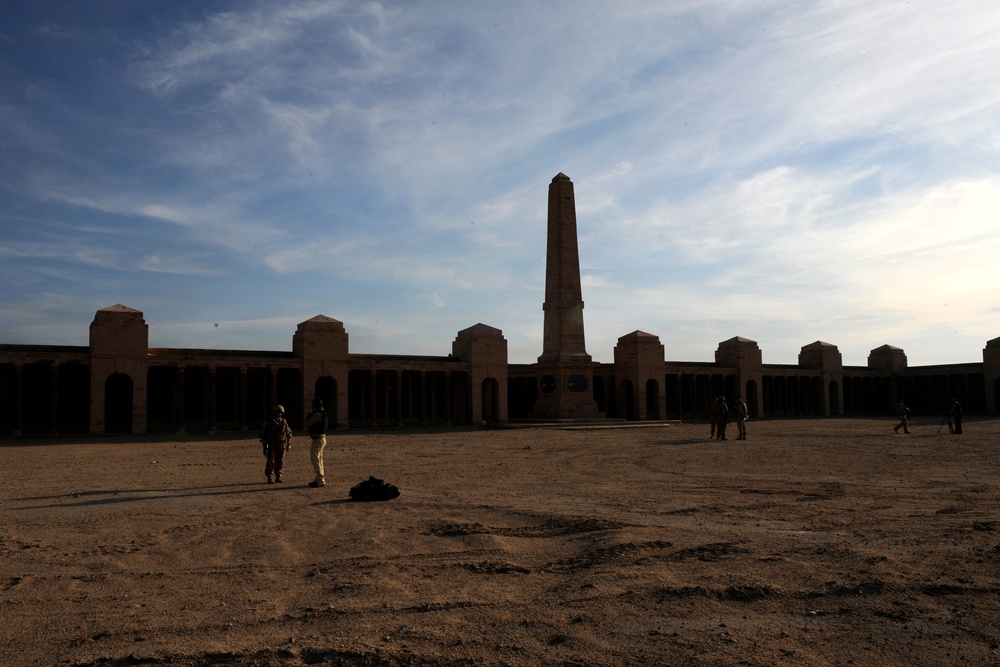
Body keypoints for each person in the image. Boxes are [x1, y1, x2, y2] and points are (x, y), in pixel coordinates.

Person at [259, 404, 292, 483]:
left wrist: (289, 443)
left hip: (281, 444)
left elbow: (288, 433)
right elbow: (263, 433)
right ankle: (269, 476)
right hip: (271, 444)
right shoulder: (269, 422)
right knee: (270, 461)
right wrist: (264, 443)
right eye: (277, 412)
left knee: (279, 461)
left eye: (280, 412)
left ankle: (278, 476)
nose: (278, 414)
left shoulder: (284, 422)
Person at [304, 398, 329, 487]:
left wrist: (309, 414)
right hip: (321, 439)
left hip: (318, 439)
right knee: (319, 459)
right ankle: (319, 478)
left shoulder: (317, 414)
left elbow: (306, 423)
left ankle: (320, 479)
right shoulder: (323, 413)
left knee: (315, 459)